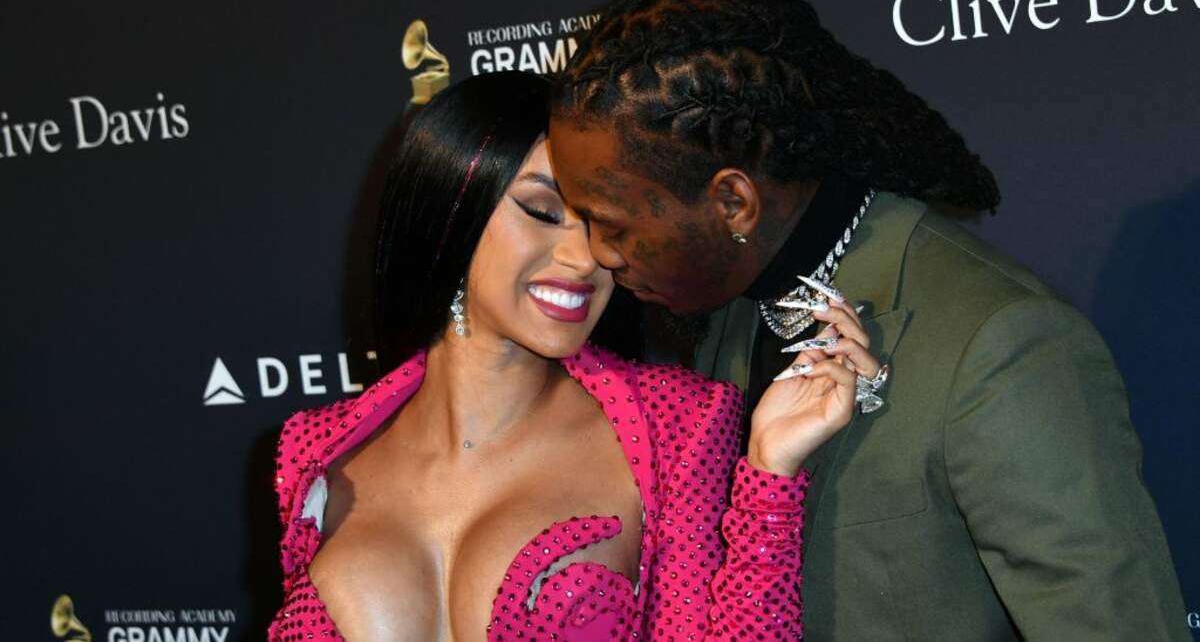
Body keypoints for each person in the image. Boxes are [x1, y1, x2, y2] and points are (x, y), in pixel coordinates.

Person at [545, 0, 1191, 640]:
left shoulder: (998, 347)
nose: (598, 254)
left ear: (734, 201)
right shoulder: (729, 317)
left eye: (613, 226)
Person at [268, 70, 883, 641]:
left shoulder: (678, 425)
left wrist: (769, 479)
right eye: (541, 211)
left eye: (603, 224)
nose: (586, 258)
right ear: (450, 209)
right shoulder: (312, 451)